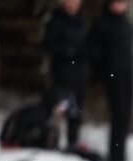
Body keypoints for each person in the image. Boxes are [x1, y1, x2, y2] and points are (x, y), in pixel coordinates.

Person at [88, 0, 133, 161]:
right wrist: (102, 73)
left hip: (127, 74)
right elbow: (93, 50)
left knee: (125, 115)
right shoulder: (102, 23)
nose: (119, 6)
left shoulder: (127, 24)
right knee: (118, 113)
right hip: (112, 75)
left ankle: (120, 154)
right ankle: (115, 155)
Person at [42, 0, 86, 151]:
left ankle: (73, 142)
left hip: (79, 73)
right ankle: (51, 142)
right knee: (59, 107)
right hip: (61, 73)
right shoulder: (56, 19)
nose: (71, 3)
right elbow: (48, 45)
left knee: (77, 109)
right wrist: (68, 51)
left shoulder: (82, 20)